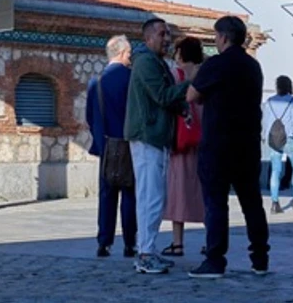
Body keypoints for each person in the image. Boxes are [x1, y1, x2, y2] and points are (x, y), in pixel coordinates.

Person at [186, 15, 269, 279]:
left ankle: (215, 260)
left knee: (216, 203)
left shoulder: (216, 64)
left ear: (222, 37)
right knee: (252, 202)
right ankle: (260, 258)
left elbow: (192, 95)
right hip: (248, 144)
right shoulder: (253, 66)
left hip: (218, 144)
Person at [123, 18, 190, 275]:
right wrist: (190, 84)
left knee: (152, 197)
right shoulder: (147, 63)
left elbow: (164, 98)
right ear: (149, 37)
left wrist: (182, 107)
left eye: (169, 34)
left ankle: (147, 249)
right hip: (148, 135)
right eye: (162, 34)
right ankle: (146, 253)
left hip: (155, 135)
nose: (167, 39)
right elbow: (161, 95)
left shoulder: (155, 62)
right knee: (151, 197)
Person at [84, 34, 137, 259]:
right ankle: (129, 243)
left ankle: (103, 243)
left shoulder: (95, 82)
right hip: (129, 145)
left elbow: (89, 116)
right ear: (124, 53)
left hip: (106, 146)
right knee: (129, 194)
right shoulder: (132, 79)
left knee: (106, 195)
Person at [163, 37, 206, 257]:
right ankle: (211, 239)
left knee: (177, 191)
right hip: (204, 141)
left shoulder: (175, 75)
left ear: (180, 54)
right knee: (205, 192)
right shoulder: (206, 73)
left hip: (181, 141)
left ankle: (177, 243)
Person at [265, 76, 293, 213]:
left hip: (274, 139)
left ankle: (275, 203)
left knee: (275, 170)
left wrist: (266, 138)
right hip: (289, 138)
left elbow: (266, 122)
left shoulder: (269, 101)